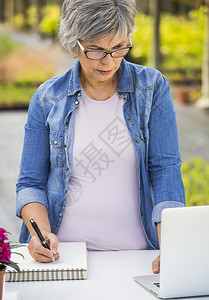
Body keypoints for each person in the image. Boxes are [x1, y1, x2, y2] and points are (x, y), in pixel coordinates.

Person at [16, 0, 185, 274]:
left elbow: (165, 170)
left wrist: (173, 247)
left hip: (138, 257)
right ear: (75, 44)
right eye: (95, 50)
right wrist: (40, 234)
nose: (109, 61)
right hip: (65, 259)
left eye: (119, 47)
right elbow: (30, 183)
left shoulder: (152, 88)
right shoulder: (48, 98)